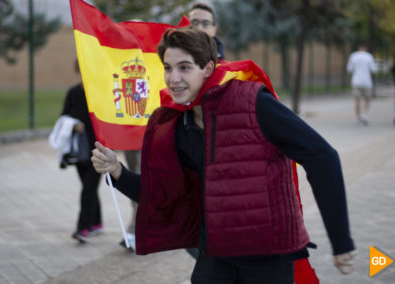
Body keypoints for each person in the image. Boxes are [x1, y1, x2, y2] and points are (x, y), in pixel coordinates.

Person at [92, 28, 356, 283]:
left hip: (268, 254)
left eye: (184, 67)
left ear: (207, 69)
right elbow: (163, 194)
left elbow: (322, 157)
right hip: (215, 254)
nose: (173, 78)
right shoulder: (175, 124)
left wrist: (341, 240)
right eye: (168, 68)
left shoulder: (252, 102)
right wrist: (117, 170)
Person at [62, 59, 103, 243]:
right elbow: (63, 117)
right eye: (81, 71)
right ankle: (97, 222)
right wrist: (73, 125)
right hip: (79, 151)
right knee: (89, 188)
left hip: (98, 151)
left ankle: (82, 228)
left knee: (88, 189)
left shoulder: (99, 93)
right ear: (77, 72)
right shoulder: (73, 93)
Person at [347, 42, 377, 125]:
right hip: (367, 81)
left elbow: (349, 69)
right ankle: (363, 113)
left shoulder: (353, 56)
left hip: (356, 81)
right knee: (367, 99)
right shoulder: (369, 56)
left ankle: (358, 118)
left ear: (358, 47)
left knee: (357, 100)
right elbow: (373, 69)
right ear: (365, 48)